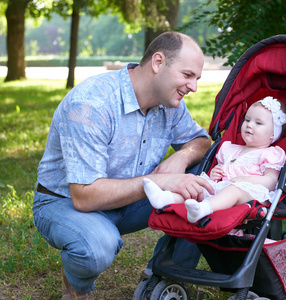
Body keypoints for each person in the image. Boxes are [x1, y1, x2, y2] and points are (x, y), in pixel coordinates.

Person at [32, 31, 214, 299]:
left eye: (197, 79)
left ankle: (164, 276)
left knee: (205, 181)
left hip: (129, 202)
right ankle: (76, 288)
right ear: (158, 62)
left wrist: (183, 156)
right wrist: (161, 181)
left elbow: (201, 141)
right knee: (96, 246)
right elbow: (84, 196)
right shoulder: (92, 104)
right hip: (65, 202)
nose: (194, 87)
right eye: (187, 75)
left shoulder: (170, 103)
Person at [143, 96, 286, 223]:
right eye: (247, 119)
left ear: (273, 134)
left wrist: (246, 180)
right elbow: (221, 170)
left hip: (250, 194)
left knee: (233, 190)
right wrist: (214, 174)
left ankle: (202, 209)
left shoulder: (270, 154)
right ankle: (166, 198)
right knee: (200, 186)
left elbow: (271, 181)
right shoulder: (231, 149)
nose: (249, 124)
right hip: (221, 188)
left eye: (258, 123)